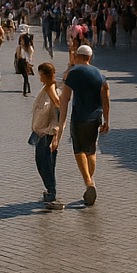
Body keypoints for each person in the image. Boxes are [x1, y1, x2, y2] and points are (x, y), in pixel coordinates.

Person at [53, 43, 109, 206]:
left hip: (79, 117)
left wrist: (61, 122)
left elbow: (65, 99)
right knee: (91, 150)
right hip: (95, 118)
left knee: (79, 151)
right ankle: (89, 185)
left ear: (77, 56)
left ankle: (89, 183)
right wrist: (107, 120)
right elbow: (106, 100)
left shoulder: (73, 73)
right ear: (90, 57)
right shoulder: (99, 74)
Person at [30, 62, 64, 208]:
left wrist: (55, 136)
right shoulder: (47, 90)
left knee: (46, 165)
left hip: (47, 135)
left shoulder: (56, 93)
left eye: (41, 75)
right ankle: (50, 191)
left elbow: (58, 116)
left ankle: (52, 193)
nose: (40, 79)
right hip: (40, 134)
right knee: (42, 164)